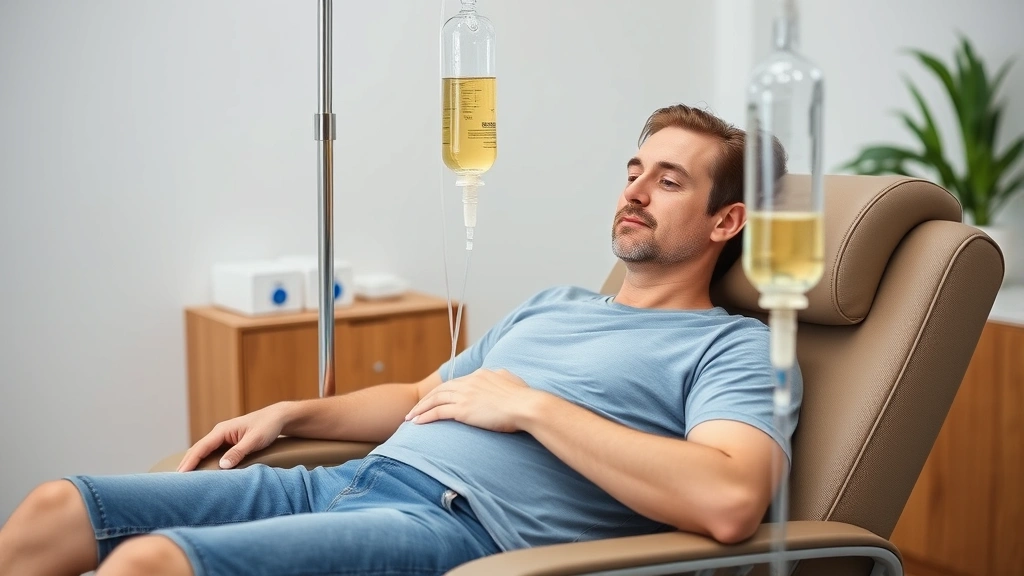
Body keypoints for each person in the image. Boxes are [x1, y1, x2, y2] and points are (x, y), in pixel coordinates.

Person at [0, 103, 800, 576]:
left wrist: (531, 408)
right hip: (345, 481)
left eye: (669, 181)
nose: (634, 191)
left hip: (454, 530)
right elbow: (424, 396)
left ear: (726, 221)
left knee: (150, 563)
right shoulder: (553, 304)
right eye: (634, 169)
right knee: (58, 508)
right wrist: (292, 413)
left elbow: (729, 502)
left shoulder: (728, 346)